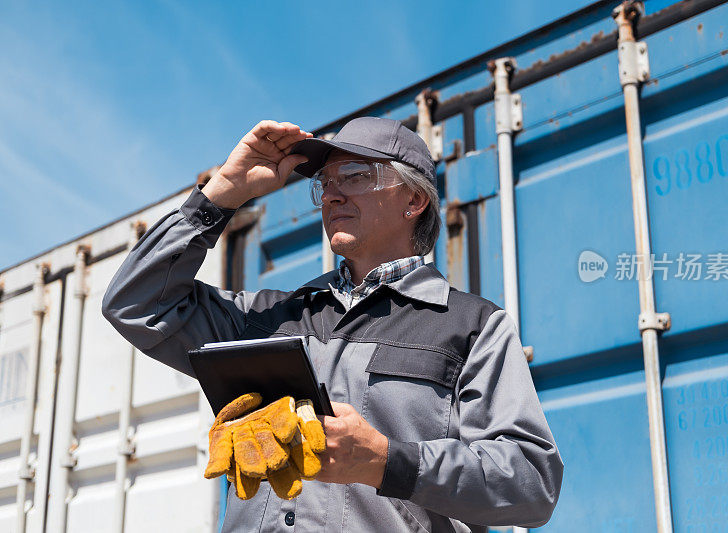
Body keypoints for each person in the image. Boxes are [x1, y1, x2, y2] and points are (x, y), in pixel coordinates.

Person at [102, 117, 563, 532]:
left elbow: (531, 483)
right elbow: (135, 304)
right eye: (325, 182)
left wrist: (386, 461)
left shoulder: (473, 328)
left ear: (414, 200)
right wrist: (224, 192)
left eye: (355, 176)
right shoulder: (266, 317)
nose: (333, 194)